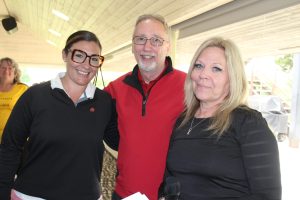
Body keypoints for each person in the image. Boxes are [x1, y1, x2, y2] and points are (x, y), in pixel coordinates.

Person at [0, 30, 119, 200]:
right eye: (79, 55)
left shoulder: (104, 102)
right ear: (65, 55)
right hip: (31, 195)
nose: (86, 65)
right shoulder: (35, 95)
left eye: (94, 59)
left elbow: (120, 141)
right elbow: (10, 147)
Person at [160, 37, 282, 200]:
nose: (203, 74)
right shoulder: (183, 121)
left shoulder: (249, 123)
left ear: (232, 79)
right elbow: (172, 181)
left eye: (216, 69)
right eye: (199, 66)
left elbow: (267, 196)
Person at [104, 14, 186, 200]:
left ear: (168, 46)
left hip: (170, 196)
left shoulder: (190, 87)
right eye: (140, 39)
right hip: (124, 194)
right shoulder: (115, 89)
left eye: (156, 40)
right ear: (133, 45)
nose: (147, 47)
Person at [0, 57, 28, 143]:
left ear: (15, 72)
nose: (6, 71)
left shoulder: (23, 89)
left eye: (10, 68)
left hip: (13, 140)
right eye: (3, 68)